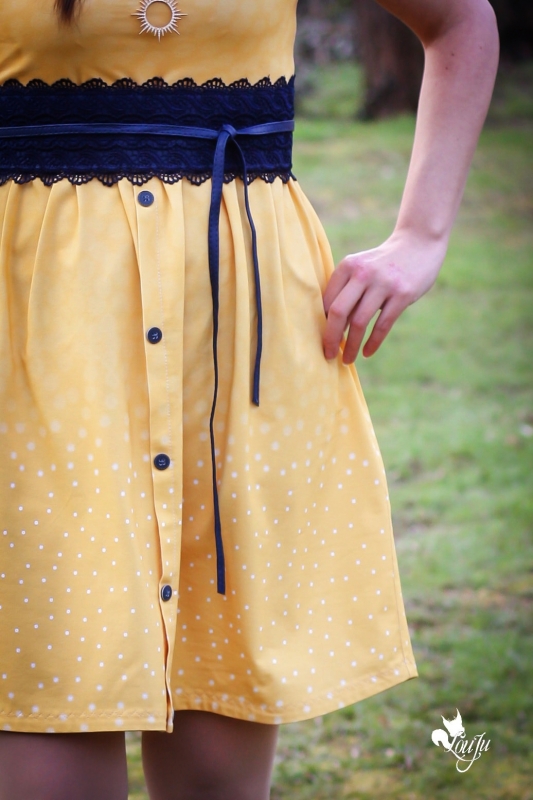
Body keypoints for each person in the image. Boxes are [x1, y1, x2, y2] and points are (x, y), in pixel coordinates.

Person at [0, 0, 498, 798]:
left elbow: (460, 23)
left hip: (238, 353)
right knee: (51, 731)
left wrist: (422, 235)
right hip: (41, 349)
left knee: (216, 753)